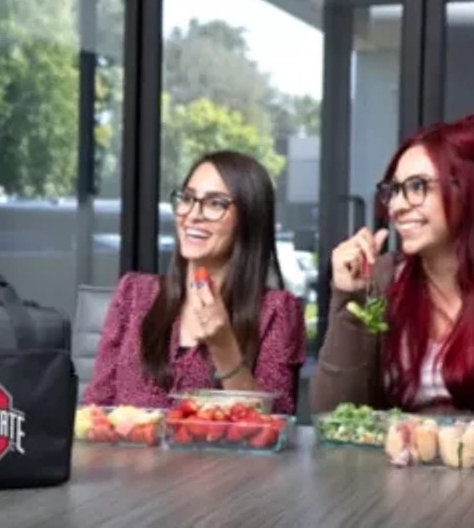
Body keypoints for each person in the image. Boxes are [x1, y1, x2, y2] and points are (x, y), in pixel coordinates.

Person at [81, 150, 307, 414]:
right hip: (129, 455)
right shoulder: (133, 293)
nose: (192, 214)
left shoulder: (277, 311)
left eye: (215, 203)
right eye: (187, 198)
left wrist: (224, 349)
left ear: (249, 218)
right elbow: (95, 410)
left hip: (220, 457)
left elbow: (273, 426)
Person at [310, 112, 474, 417]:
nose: (396, 206)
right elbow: (333, 412)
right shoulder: (382, 278)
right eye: (394, 190)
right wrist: (350, 297)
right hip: (398, 462)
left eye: (418, 187)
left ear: (469, 189)